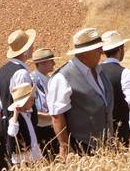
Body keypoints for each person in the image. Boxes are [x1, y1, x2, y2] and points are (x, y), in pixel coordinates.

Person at [47, 28, 113, 156]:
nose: (102, 51)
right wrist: (65, 147)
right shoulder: (62, 77)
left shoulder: (99, 71)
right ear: (85, 53)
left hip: (106, 146)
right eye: (97, 48)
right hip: (81, 147)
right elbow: (56, 116)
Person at [14, 47, 58, 158]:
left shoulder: (48, 78)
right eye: (51, 60)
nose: (54, 63)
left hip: (51, 125)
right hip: (43, 128)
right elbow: (34, 108)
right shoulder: (33, 80)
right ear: (42, 63)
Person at [99, 30, 130, 149]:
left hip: (100, 130)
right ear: (120, 49)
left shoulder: (95, 71)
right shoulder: (125, 73)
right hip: (122, 129)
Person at [4, 81, 44, 165]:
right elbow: (12, 133)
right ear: (23, 102)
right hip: (22, 158)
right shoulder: (14, 117)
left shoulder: (31, 113)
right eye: (31, 100)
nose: (33, 102)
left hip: (34, 153)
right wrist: (15, 114)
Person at [0, 28, 36, 112]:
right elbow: (25, 104)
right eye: (30, 46)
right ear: (25, 51)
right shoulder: (22, 73)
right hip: (21, 121)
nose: (33, 47)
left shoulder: (2, 70)